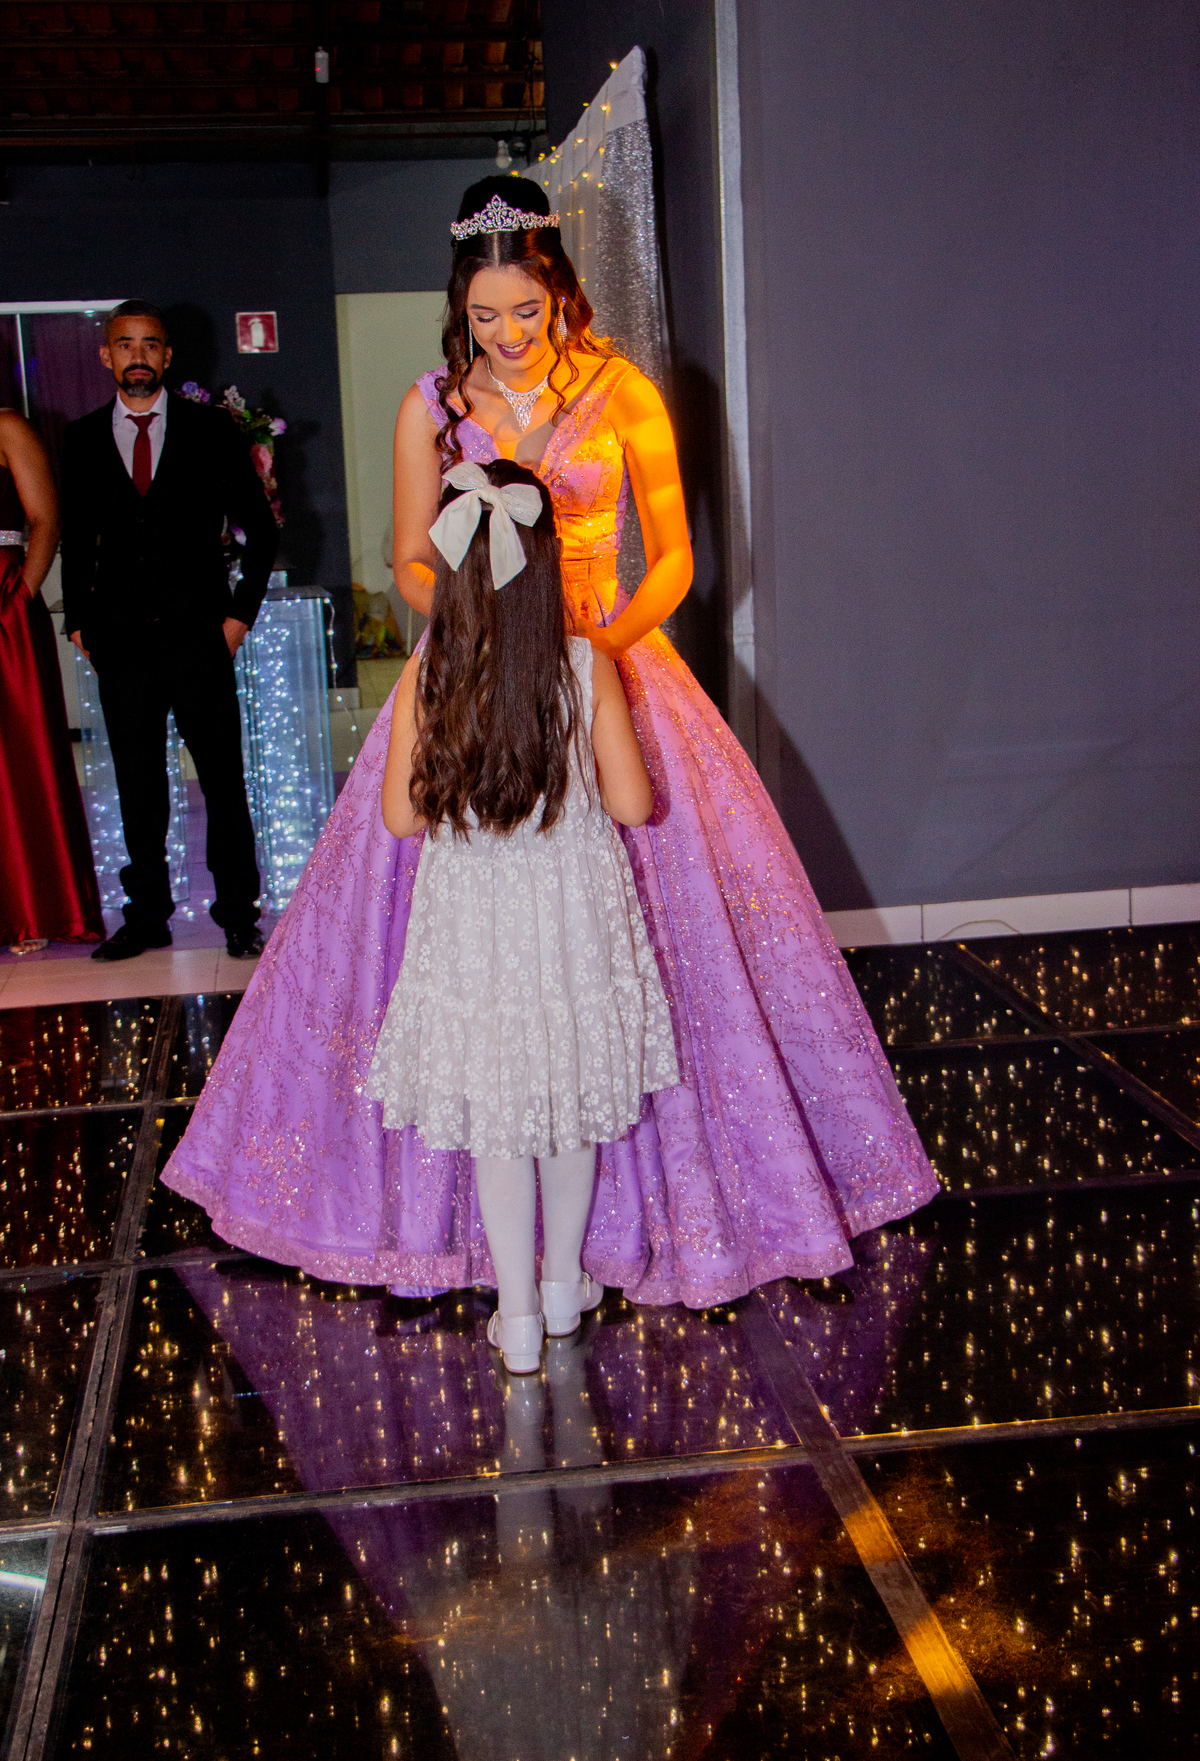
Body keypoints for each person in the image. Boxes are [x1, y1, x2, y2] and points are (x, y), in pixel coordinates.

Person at [161, 179, 938, 1309]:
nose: (508, 335)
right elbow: (409, 560)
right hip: (476, 669)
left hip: (606, 665)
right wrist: (488, 642)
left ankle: (661, 1219)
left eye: (525, 311)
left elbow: (674, 559)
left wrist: (591, 658)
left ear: (560, 291)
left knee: (667, 933)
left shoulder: (623, 391)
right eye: (484, 317)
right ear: (460, 309)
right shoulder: (431, 404)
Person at [366, 458, 678, 1371]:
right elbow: (633, 805)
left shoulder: (430, 674)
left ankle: (517, 1316)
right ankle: (563, 1285)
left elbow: (400, 819)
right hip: (570, 913)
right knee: (566, 1105)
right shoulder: (584, 665)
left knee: (501, 1114)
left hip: (473, 920)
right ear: (546, 565)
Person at [60, 299, 278, 962]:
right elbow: (77, 539)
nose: (138, 356)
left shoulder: (210, 431)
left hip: (199, 636)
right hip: (120, 641)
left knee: (221, 780)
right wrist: (79, 624)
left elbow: (260, 528)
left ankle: (238, 915)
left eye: (150, 344)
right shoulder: (82, 438)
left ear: (167, 356)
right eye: (126, 344)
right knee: (137, 785)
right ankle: (147, 916)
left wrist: (239, 616)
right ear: (107, 355)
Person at [0, 409, 103, 953]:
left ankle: (31, 908)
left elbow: (45, 518)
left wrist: (20, 596)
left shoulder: (6, 427)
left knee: (16, 754)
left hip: (2, 604)